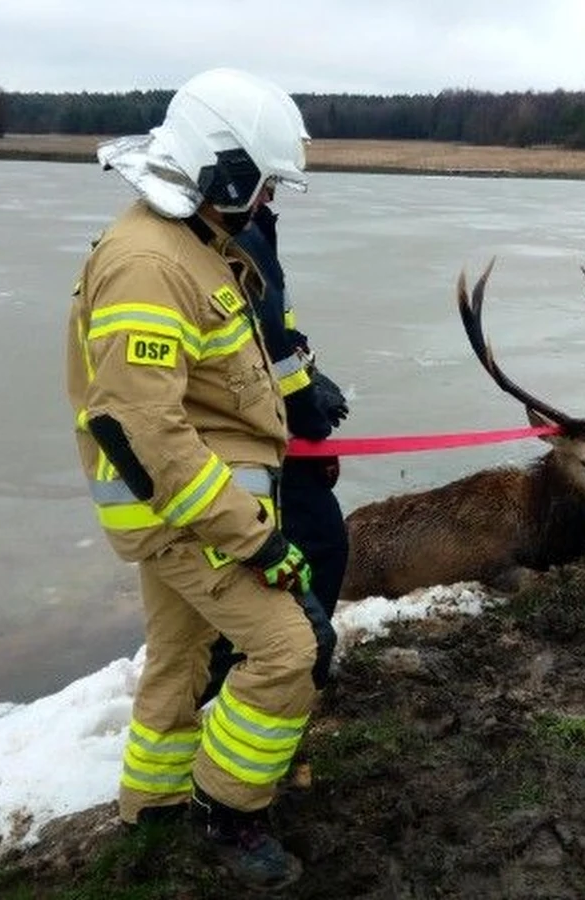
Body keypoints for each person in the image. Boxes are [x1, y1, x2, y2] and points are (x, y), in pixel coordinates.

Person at [65, 68, 335, 892]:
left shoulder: (190, 246)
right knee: (290, 651)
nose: (264, 206)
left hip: (194, 507)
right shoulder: (150, 264)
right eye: (259, 187)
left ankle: (150, 805)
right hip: (192, 514)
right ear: (222, 170)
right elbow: (146, 429)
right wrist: (258, 539)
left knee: (180, 657)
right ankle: (230, 811)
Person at [198, 193, 350, 709]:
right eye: (265, 182)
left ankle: (257, 679)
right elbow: (269, 349)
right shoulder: (239, 234)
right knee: (319, 547)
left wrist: (311, 373)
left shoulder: (248, 226)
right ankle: (279, 683)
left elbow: (279, 330)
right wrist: (309, 410)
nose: (270, 194)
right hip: (256, 436)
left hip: (263, 430)